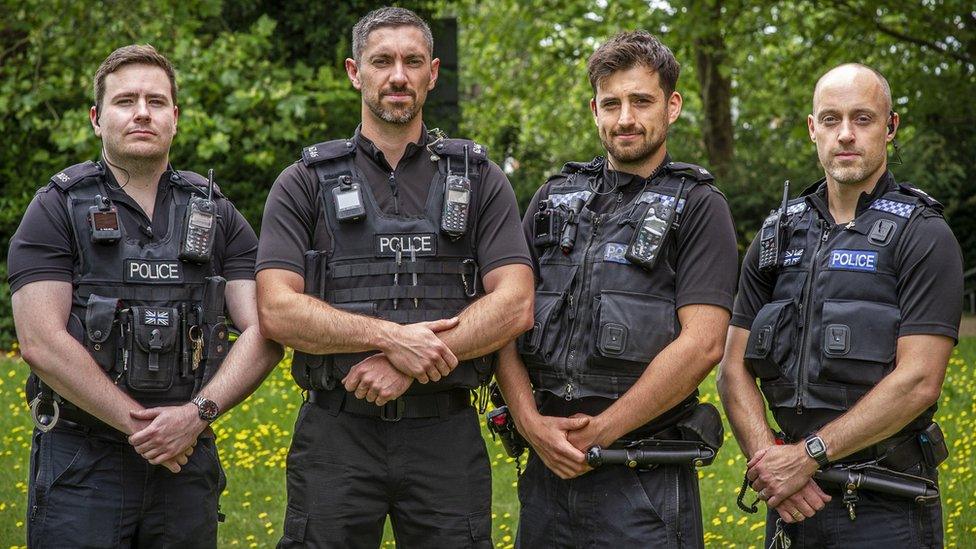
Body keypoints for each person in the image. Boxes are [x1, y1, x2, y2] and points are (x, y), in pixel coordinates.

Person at [255, 7, 534, 548]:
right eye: (381, 61)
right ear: (354, 72)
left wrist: (409, 365)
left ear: (432, 72)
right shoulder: (303, 182)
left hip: (444, 435)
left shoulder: (479, 179)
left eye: (411, 62)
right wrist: (389, 339)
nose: (398, 75)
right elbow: (276, 310)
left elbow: (516, 303)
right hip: (336, 434)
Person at [8, 44, 282, 547]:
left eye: (156, 102)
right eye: (125, 101)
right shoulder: (57, 207)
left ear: (175, 118)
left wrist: (196, 415)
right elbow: (40, 341)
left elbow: (267, 326)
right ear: (96, 118)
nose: (141, 113)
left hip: (187, 458)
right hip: (82, 462)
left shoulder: (215, 212)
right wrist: (149, 429)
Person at [495, 30, 738, 547]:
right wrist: (530, 422)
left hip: (643, 478)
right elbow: (504, 317)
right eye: (612, 103)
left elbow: (703, 344)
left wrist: (601, 431)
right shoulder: (553, 198)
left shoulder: (699, 207)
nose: (625, 118)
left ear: (672, 106)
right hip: (545, 473)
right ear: (595, 109)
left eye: (641, 101)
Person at [717, 63, 963, 548]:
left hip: (886, 505)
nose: (845, 134)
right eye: (830, 120)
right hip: (792, 502)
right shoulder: (777, 234)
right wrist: (772, 463)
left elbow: (919, 381)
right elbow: (731, 369)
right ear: (813, 130)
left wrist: (808, 455)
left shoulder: (924, 235)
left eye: (863, 119)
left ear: (890, 127)